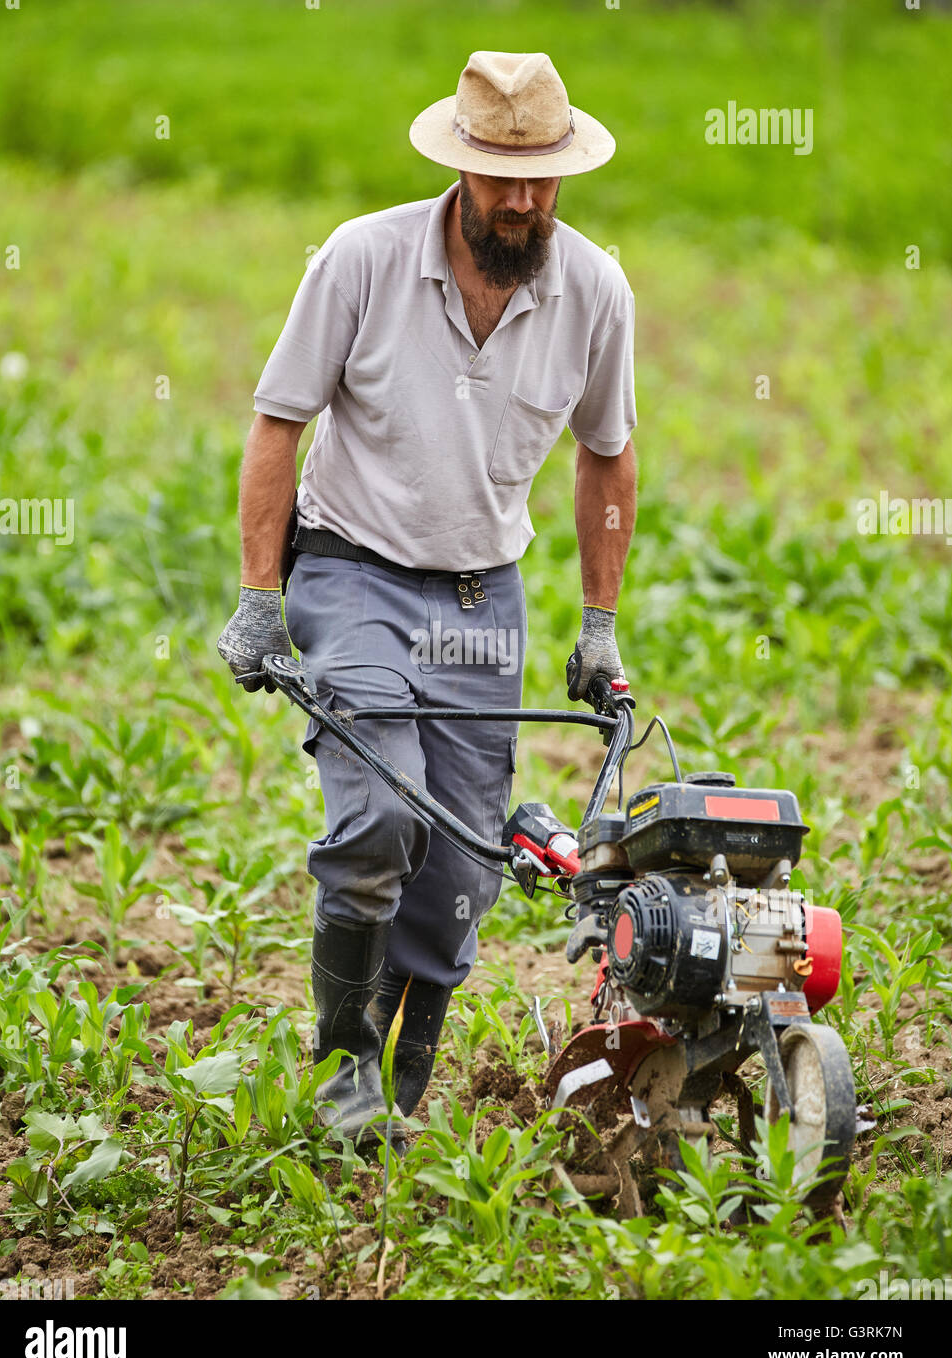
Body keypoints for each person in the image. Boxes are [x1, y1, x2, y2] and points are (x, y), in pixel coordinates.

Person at [217, 50, 637, 1148]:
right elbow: (277, 422)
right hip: (352, 570)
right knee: (380, 814)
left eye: (540, 178)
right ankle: (342, 1071)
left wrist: (599, 621)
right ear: (461, 165)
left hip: (482, 595)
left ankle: (397, 1088)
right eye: (501, 176)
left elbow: (607, 455)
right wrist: (262, 597)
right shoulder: (362, 259)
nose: (520, 199)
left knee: (461, 863)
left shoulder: (592, 286)